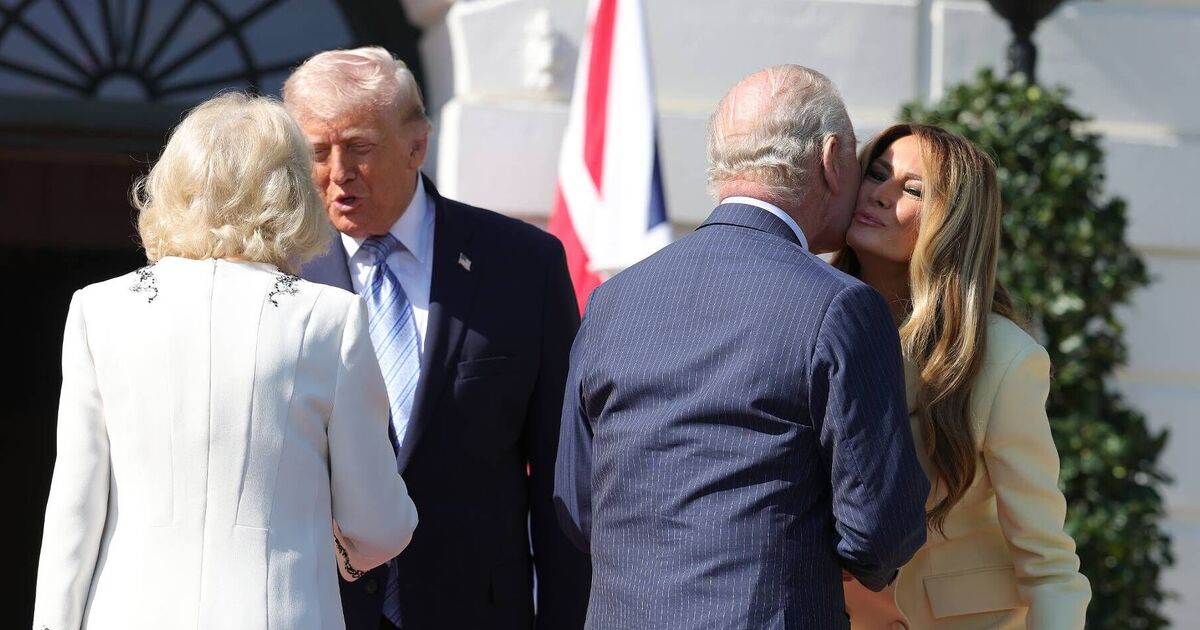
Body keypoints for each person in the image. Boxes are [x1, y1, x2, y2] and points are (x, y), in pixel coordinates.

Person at [553, 65, 930, 630]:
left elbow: (580, 507)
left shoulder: (612, 300)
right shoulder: (841, 306)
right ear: (831, 160)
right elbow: (880, 532)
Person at [32, 92, 418, 630]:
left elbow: (72, 516)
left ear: (171, 187)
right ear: (291, 194)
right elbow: (377, 525)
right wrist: (338, 545)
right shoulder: (330, 318)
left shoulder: (100, 309)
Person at [282, 47, 591, 630]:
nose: (338, 172)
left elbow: (562, 477)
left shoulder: (522, 265)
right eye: (317, 152)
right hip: (322, 610)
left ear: (416, 145)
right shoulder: (280, 275)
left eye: (360, 147)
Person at [836, 123, 1092, 628]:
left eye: (913, 190)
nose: (881, 195)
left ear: (955, 222)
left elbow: (1048, 564)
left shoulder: (1005, 359)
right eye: (877, 175)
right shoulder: (810, 322)